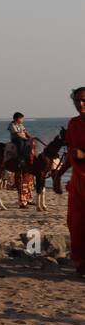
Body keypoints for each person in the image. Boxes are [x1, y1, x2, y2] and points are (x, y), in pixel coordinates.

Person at [64, 87, 85, 278]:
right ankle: (80, 263)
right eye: (77, 100)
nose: (81, 104)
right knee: (75, 222)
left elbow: (78, 153)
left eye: (84, 100)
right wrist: (57, 175)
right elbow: (70, 153)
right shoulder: (73, 124)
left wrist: (83, 155)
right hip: (77, 182)